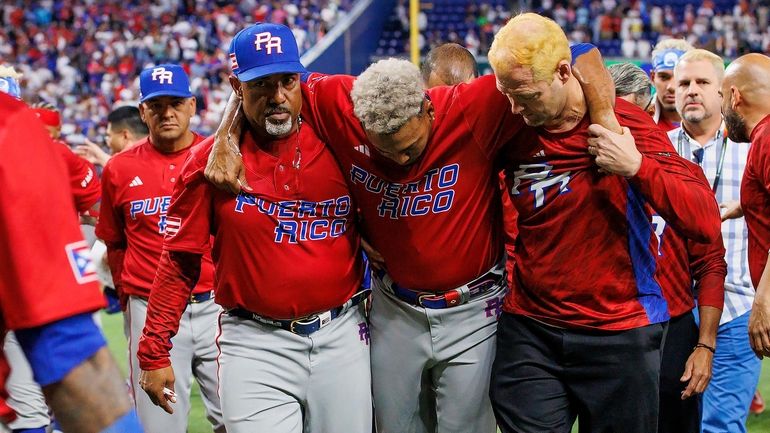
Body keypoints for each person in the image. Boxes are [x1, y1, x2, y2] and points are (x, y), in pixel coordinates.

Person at [486, 13, 722, 433]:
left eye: (525, 95)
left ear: (562, 74)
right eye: (507, 94)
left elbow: (705, 222)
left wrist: (636, 167)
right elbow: (581, 52)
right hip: (531, 327)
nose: (514, 108)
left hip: (618, 330)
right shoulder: (512, 121)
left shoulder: (627, 127)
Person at [137, 23, 372, 433]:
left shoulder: (339, 138)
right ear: (236, 87)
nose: (278, 96)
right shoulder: (209, 163)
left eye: (287, 81)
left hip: (343, 334)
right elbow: (179, 261)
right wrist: (154, 352)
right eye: (261, 84)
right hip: (254, 343)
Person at [0, 90, 143, 432]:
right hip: (44, 284)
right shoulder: (11, 133)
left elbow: (100, 215)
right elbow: (69, 353)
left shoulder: (21, 136)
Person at [95, 64, 225, 433]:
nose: (167, 113)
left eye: (175, 103)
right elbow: (115, 242)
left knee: (238, 417)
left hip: (217, 304)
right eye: (156, 105)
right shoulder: (119, 169)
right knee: (159, 424)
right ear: (143, 112)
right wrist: (128, 301)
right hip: (149, 308)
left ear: (191, 105)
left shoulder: (218, 156)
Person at [668, 49, 757, 433]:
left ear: (724, 91)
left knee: (721, 426)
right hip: (667, 311)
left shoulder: (753, 149)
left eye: (703, 83)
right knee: (665, 423)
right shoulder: (654, 150)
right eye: (683, 83)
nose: (691, 91)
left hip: (735, 308)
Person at [76, 106, 149, 167]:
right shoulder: (156, 151)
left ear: (125, 136)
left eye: (109, 136)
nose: (107, 141)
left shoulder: (121, 166)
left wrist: (101, 156)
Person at [650, 39, 694, 132]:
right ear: (653, 78)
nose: (671, 87)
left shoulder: (716, 124)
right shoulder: (638, 122)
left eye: (680, 78)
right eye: (664, 77)